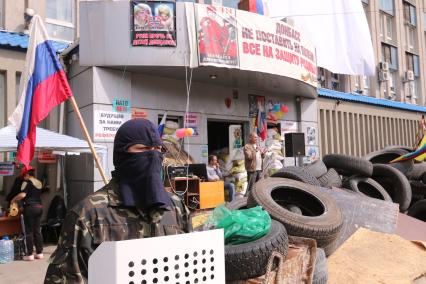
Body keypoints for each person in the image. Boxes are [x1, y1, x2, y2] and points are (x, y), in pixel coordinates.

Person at [44, 119, 190, 283]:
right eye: (143, 149)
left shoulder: (176, 207)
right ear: (122, 155)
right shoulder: (88, 215)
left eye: (158, 149)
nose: (153, 156)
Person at [11, 167, 44, 261]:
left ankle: (29, 254)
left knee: (28, 232)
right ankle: (39, 253)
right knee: (37, 231)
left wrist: (13, 199)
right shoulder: (39, 182)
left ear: (27, 175)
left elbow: (22, 195)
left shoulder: (27, 183)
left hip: (30, 208)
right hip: (39, 207)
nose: (23, 178)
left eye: (24, 176)